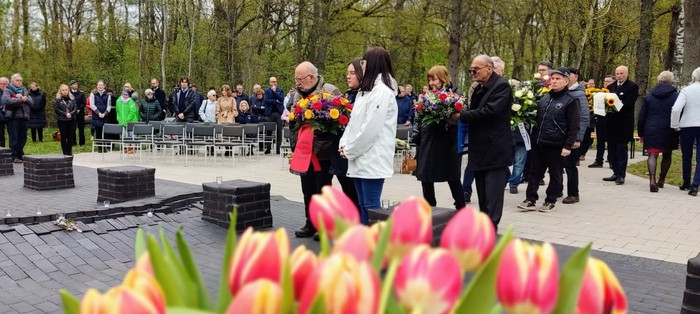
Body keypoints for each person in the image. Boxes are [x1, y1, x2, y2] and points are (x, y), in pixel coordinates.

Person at [451, 55, 512, 229]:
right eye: (471, 70)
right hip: (480, 147)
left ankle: (491, 227)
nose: (472, 73)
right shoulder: (479, 87)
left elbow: (490, 111)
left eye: (476, 70)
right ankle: (484, 226)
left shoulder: (501, 86)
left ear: (489, 69)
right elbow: (474, 110)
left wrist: (460, 116)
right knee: (483, 193)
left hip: (495, 147)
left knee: (493, 193)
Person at [340, 47, 399, 226]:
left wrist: (349, 149)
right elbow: (353, 124)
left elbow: (370, 129)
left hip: (372, 158)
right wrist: (344, 143)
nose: (361, 66)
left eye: (364, 62)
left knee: (372, 206)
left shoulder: (382, 92)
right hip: (359, 157)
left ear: (372, 64)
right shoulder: (365, 92)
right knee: (362, 204)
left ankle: (374, 247)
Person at [290, 61, 343, 237]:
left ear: (312, 77)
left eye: (300, 79)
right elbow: (293, 123)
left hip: (324, 152)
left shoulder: (331, 91)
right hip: (304, 153)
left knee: (323, 189)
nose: (297, 82)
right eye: (296, 79)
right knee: (307, 189)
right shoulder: (296, 96)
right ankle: (310, 223)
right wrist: (294, 145)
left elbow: (342, 120)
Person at [518, 67, 580, 213]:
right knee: (534, 172)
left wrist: (568, 146)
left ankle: (550, 200)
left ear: (566, 81)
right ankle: (530, 199)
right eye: (553, 79)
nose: (554, 82)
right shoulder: (545, 98)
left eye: (558, 79)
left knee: (555, 174)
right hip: (539, 142)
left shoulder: (571, 100)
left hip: (557, 144)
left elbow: (574, 125)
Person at [414, 65, 466, 210]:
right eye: (429, 79)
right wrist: (416, 134)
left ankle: (461, 207)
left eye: (434, 79)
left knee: (452, 176)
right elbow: (418, 117)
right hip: (428, 140)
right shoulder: (425, 96)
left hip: (448, 141)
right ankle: (430, 208)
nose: (431, 83)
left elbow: (461, 115)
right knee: (425, 176)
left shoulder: (455, 94)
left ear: (443, 78)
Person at [639, 71, 679, 193]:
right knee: (667, 155)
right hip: (669, 128)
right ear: (671, 81)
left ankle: (652, 179)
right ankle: (661, 180)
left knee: (652, 155)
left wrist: (641, 133)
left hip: (651, 128)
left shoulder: (649, 96)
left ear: (658, 80)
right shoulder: (676, 96)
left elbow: (642, 116)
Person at [603, 66, 639, 185]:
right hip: (611, 123)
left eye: (622, 73)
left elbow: (628, 104)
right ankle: (615, 171)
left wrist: (616, 105)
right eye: (617, 73)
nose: (619, 75)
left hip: (623, 123)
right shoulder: (610, 87)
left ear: (627, 74)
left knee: (621, 149)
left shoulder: (632, 86)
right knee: (611, 150)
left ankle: (621, 175)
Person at [561, 67, 590, 204]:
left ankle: (573, 193)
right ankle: (557, 189)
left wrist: (578, 138)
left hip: (572, 137)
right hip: (559, 136)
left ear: (573, 78)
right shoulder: (560, 93)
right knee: (558, 166)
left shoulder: (579, 95)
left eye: (567, 75)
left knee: (570, 166)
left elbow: (584, 117)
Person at [671, 67, 700, 195]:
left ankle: (686, 183)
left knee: (686, 155)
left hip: (687, 125)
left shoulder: (686, 90)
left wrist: (675, 125)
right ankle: (695, 185)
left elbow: (676, 109)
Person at [2, 73, 33, 163]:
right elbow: (6, 100)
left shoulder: (24, 90)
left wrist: (25, 98)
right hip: (13, 117)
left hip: (24, 116)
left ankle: (20, 154)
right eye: (17, 80)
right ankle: (13, 156)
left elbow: (31, 102)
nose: (20, 82)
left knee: (23, 137)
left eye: (21, 80)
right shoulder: (8, 90)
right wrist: (19, 99)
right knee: (14, 137)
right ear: (12, 81)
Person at [589, 75, 615, 168]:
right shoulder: (599, 93)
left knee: (611, 141)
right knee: (600, 141)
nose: (606, 83)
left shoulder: (614, 92)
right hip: (600, 119)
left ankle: (612, 160)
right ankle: (599, 160)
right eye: (605, 81)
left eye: (608, 81)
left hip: (611, 120)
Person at [54, 84, 78, 156]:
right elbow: (56, 109)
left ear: (68, 90)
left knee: (71, 136)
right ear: (60, 91)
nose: (65, 91)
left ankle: (69, 151)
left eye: (66, 90)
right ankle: (65, 152)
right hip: (62, 120)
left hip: (72, 120)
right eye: (63, 90)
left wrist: (71, 113)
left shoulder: (72, 98)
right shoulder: (57, 99)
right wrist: (65, 114)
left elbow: (75, 108)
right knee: (63, 136)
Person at [265, 77, 285, 154]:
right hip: (270, 113)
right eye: (273, 82)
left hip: (279, 113)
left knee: (279, 131)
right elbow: (266, 100)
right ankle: (268, 148)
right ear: (270, 83)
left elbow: (281, 99)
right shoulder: (267, 90)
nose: (275, 83)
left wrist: (275, 93)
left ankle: (278, 148)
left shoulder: (280, 90)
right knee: (269, 131)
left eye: (276, 81)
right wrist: (275, 101)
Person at [89, 81, 111, 149]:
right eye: (99, 85)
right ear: (97, 86)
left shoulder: (108, 95)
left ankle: (104, 147)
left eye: (101, 85)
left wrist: (105, 113)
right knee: (98, 131)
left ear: (104, 86)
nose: (100, 86)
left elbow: (109, 105)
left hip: (105, 115)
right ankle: (99, 147)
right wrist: (98, 113)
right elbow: (92, 105)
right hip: (97, 115)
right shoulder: (93, 94)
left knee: (105, 132)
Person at [69, 80, 87, 146]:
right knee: (72, 129)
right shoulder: (69, 93)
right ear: (71, 85)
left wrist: (79, 109)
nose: (75, 85)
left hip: (80, 113)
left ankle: (82, 142)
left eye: (76, 84)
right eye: (74, 84)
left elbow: (83, 102)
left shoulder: (81, 93)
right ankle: (73, 142)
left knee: (81, 129)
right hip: (72, 113)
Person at [0, 77, 8, 147]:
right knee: (0, 134)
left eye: (4, 84)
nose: (2, 85)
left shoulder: (11, 92)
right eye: (1, 84)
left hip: (10, 114)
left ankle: (14, 151)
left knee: (12, 133)